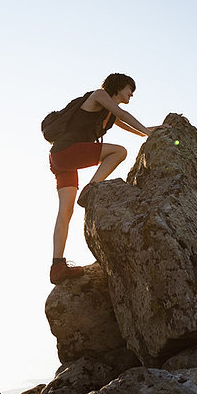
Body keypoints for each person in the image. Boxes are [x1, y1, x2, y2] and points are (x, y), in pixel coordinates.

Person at [48, 73, 168, 285]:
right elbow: (124, 114)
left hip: (61, 158)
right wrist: (148, 133)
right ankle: (92, 186)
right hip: (67, 151)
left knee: (65, 211)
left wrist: (156, 129)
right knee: (119, 152)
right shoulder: (99, 95)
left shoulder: (110, 114)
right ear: (119, 86)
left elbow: (136, 129)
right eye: (130, 89)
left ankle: (57, 266)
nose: (132, 94)